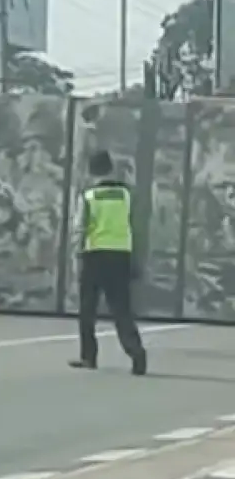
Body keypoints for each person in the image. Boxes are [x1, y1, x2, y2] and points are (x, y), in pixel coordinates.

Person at [68, 150, 147, 375]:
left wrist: (76, 255)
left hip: (95, 254)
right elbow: (135, 226)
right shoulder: (125, 195)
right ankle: (136, 352)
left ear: (91, 171)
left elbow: (79, 228)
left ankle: (89, 356)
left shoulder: (89, 196)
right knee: (122, 309)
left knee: (87, 309)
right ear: (110, 168)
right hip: (121, 254)